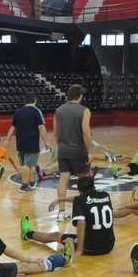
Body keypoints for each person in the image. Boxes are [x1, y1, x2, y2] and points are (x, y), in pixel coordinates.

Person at [26, 176, 115, 260]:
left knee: (55, 235)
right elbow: (85, 199)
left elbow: (81, 222)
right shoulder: (105, 195)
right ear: (94, 186)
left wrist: (79, 249)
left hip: (90, 247)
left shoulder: (80, 200)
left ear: (80, 192)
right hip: (109, 245)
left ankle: (27, 233)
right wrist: (61, 199)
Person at [53, 84, 92, 222]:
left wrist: (62, 146)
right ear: (80, 96)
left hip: (63, 150)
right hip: (79, 151)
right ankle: (87, 210)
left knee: (63, 180)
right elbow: (86, 132)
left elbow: (56, 133)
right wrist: (90, 151)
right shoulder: (84, 110)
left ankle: (61, 212)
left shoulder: (58, 110)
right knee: (84, 181)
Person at [4, 92, 49, 192]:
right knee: (28, 164)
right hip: (31, 140)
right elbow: (41, 127)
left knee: (26, 162)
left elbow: (12, 127)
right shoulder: (36, 111)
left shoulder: (18, 112)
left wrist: (7, 139)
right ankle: (24, 186)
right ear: (35, 100)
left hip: (20, 140)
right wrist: (46, 141)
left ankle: (31, 181)